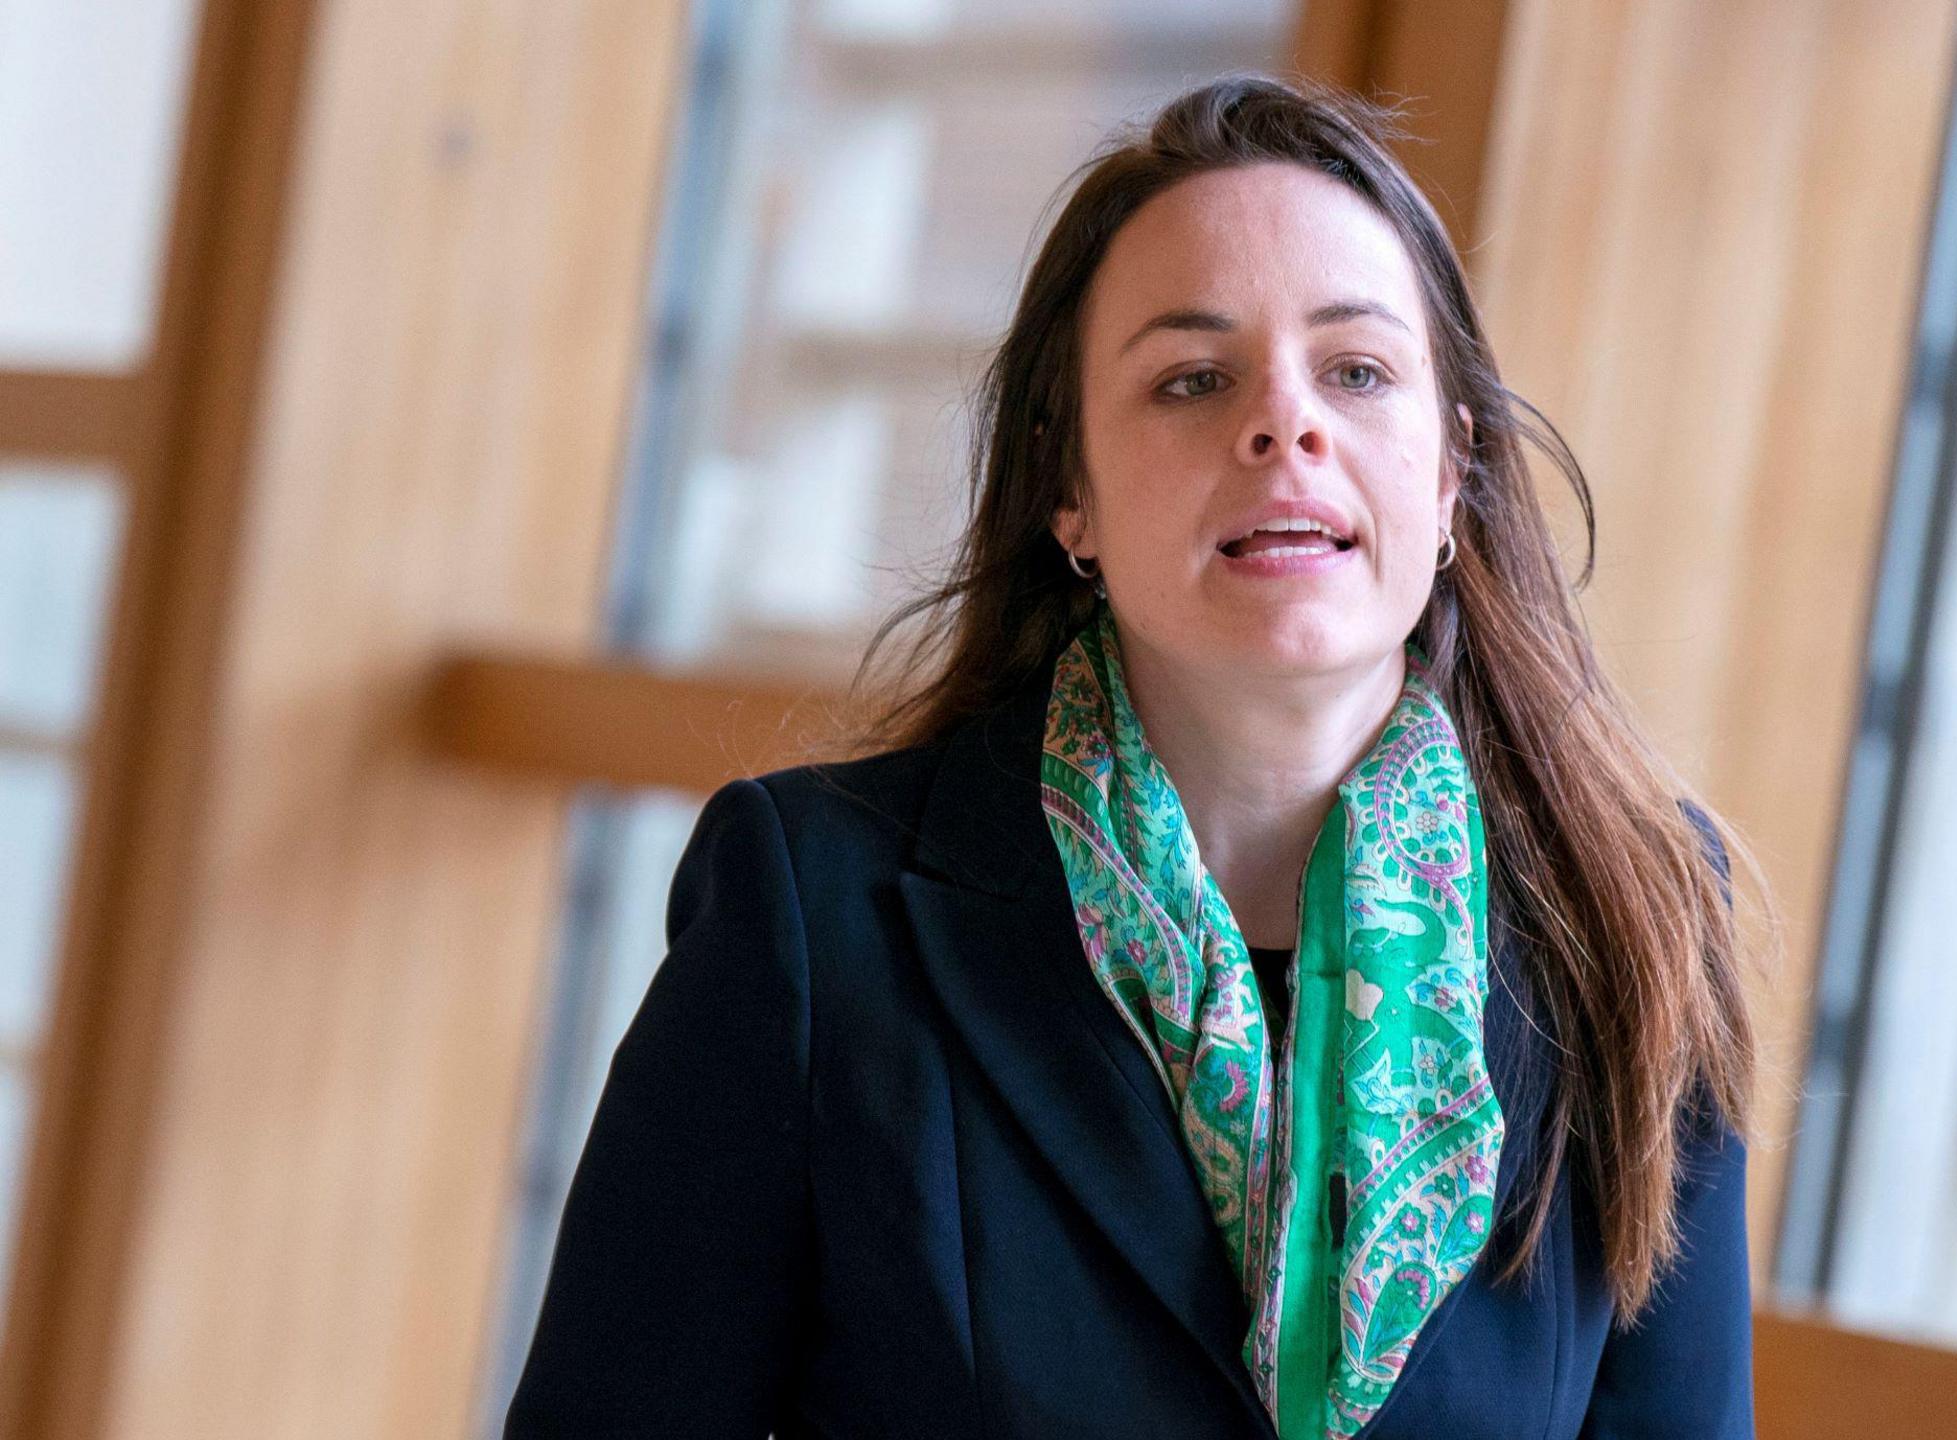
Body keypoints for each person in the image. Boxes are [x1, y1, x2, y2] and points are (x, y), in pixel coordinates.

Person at [504, 71, 1760, 1440]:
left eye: (1356, 370)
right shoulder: (817, 912)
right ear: (1071, 496)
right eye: (1192, 378)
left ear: (1453, 474)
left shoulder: (1628, 917)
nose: (1285, 424)